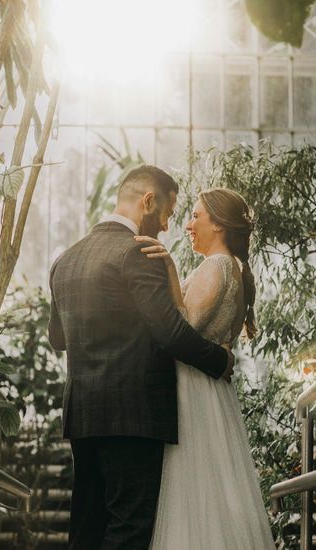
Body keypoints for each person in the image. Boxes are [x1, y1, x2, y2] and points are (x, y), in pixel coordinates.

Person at [47, 166, 235, 550]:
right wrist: (222, 362)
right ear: (147, 201)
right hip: (134, 415)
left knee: (87, 525)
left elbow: (58, 338)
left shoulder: (65, 260)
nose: (166, 227)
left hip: (83, 414)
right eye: (166, 214)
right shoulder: (139, 253)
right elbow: (170, 332)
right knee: (129, 527)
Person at [136, 187, 275, 550]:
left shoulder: (217, 266)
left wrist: (168, 267)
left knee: (194, 490)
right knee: (213, 491)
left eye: (196, 216)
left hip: (194, 391)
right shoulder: (231, 267)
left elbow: (182, 328)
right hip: (211, 390)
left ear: (219, 225)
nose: (188, 224)